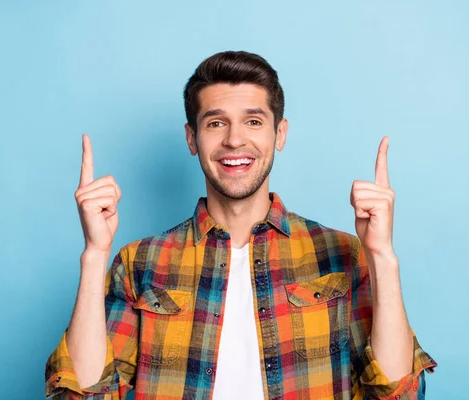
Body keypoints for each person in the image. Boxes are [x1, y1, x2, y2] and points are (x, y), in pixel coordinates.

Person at [45, 51, 437, 400]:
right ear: (192, 138)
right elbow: (82, 396)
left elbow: (398, 394)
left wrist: (382, 256)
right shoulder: (139, 262)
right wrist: (95, 255)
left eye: (253, 121)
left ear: (278, 134)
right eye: (216, 124)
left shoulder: (341, 254)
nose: (235, 140)